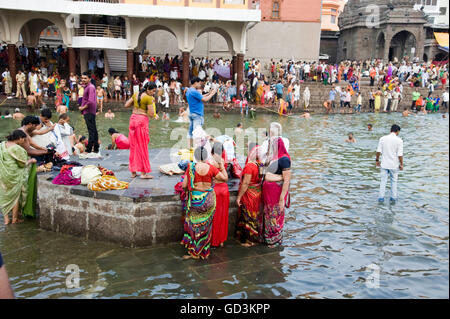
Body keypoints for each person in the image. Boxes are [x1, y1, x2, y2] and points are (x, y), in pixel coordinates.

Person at [181, 146, 228, 260]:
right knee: (207, 226)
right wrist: (222, 167)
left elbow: (184, 186)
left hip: (196, 200)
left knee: (195, 226)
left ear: (195, 156)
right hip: (209, 199)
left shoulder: (191, 167)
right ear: (206, 156)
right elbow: (225, 178)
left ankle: (195, 252)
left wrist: (189, 191)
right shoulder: (211, 168)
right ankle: (204, 252)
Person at [0, 130, 37, 225]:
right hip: (14, 175)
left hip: (3, 174)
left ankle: (6, 219)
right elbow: (22, 164)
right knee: (15, 197)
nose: (24, 142)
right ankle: (14, 219)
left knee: (5, 195)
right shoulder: (17, 148)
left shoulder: (2, 145)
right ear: (20, 138)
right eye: (24, 140)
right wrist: (31, 161)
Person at [262, 137, 291, 247]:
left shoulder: (284, 159)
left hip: (276, 194)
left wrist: (281, 198)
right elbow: (265, 174)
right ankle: (269, 238)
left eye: (272, 145)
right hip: (269, 193)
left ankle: (274, 241)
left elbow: (287, 179)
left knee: (275, 214)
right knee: (269, 214)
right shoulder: (273, 158)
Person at [124, 82, 156, 179]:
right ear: (148, 90)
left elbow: (126, 105)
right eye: (153, 91)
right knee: (142, 146)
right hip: (141, 121)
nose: (153, 93)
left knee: (133, 146)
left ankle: (133, 172)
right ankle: (143, 173)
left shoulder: (136, 94)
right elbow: (151, 114)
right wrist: (152, 104)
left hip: (133, 119)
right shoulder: (148, 98)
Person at [236, 143, 262, 247]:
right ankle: (252, 238)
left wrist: (239, 197)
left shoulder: (249, 166)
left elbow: (246, 183)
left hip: (249, 194)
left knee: (248, 215)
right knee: (254, 215)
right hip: (257, 192)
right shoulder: (260, 164)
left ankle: (249, 241)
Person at [186, 77, 217, 148]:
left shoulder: (189, 90)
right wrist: (212, 94)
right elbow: (204, 99)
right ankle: (195, 148)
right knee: (197, 133)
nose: (200, 85)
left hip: (192, 113)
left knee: (190, 132)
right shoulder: (194, 91)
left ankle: (189, 147)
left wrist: (209, 93)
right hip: (197, 114)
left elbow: (200, 96)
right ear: (196, 83)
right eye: (199, 83)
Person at [376, 124, 403, 203]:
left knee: (383, 181)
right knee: (394, 182)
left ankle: (381, 198)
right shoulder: (399, 140)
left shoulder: (383, 139)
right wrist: (401, 164)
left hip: (384, 164)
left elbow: (378, 151)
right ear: (397, 131)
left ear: (390, 130)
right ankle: (393, 198)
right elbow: (400, 155)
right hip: (394, 165)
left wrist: (377, 160)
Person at [210, 142, 230, 248]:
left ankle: (213, 240)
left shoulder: (211, 162)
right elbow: (225, 177)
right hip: (224, 189)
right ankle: (221, 240)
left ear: (212, 150)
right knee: (223, 215)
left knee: (214, 215)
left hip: (215, 189)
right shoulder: (222, 160)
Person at [79, 73, 99, 154]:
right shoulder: (89, 87)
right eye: (82, 78)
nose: (83, 80)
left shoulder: (90, 87)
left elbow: (90, 101)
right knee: (93, 129)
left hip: (88, 111)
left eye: (85, 78)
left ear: (89, 79)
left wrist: (82, 108)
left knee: (91, 130)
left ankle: (89, 149)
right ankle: (96, 148)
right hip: (90, 111)